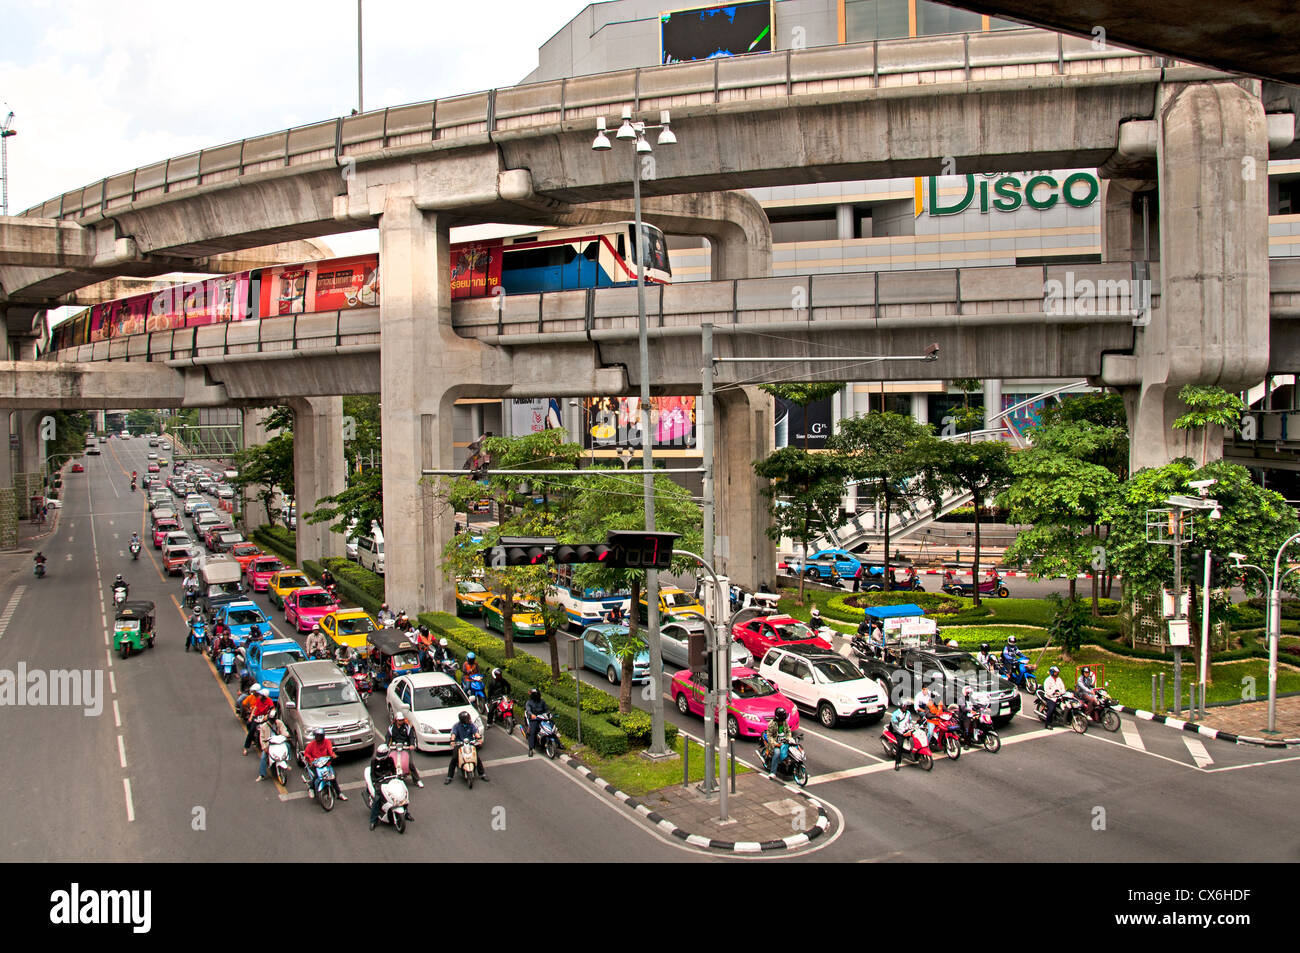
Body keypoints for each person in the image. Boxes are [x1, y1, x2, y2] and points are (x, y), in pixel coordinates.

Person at [368, 743, 412, 828]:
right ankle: (373, 820)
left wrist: (397, 776)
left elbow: (394, 770)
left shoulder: (390, 760)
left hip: (390, 779)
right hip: (379, 781)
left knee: (401, 794)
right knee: (377, 799)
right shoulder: (374, 761)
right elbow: (372, 774)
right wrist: (375, 781)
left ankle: (406, 813)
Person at [443, 710, 487, 784]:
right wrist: (452, 741)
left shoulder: (471, 725)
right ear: (462, 720)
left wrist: (479, 739)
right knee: (454, 759)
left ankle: (482, 774)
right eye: (467, 719)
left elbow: (476, 733)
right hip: (459, 744)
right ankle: (449, 776)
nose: (469, 720)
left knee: (477, 758)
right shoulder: (456, 726)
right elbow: (453, 734)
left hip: (470, 743)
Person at [303, 728, 347, 801]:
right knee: (316, 776)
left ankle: (339, 793)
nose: (318, 738)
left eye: (320, 736)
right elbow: (307, 754)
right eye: (317, 736)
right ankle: (311, 788)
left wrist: (333, 755)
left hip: (326, 764)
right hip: (316, 765)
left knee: (332, 777)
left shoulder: (327, 742)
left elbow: (330, 750)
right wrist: (311, 760)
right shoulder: (311, 745)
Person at [386, 713, 424, 788]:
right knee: (389, 762)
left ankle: (417, 780)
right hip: (394, 747)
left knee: (410, 763)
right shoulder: (391, 727)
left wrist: (412, 744)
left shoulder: (407, 727)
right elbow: (387, 737)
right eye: (399, 720)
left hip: (405, 747)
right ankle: (388, 780)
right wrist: (386, 745)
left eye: (402, 720)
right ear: (396, 720)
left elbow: (411, 737)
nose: (401, 721)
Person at [256, 704, 290, 782]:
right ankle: (262, 774)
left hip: (279, 741)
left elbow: (284, 730)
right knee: (263, 757)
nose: (271, 721)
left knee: (287, 746)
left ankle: (286, 761)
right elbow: (261, 738)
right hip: (269, 743)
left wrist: (286, 735)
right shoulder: (264, 726)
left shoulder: (279, 723)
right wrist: (264, 747)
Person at [762, 707, 794, 778]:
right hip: (776, 743)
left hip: (784, 741)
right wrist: (776, 744)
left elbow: (788, 731)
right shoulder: (772, 724)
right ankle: (773, 772)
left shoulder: (784, 722)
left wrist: (789, 738)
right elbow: (769, 736)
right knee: (777, 753)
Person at [242, 688, 274, 754]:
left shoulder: (269, 701)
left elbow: (273, 709)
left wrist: (267, 715)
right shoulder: (259, 700)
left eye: (260, 695)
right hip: (257, 717)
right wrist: (251, 717)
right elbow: (255, 708)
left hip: (265, 718)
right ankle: (246, 747)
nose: (258, 696)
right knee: (251, 730)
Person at [891, 699, 916, 771]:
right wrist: (902, 733)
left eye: (907, 706)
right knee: (900, 745)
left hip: (906, 730)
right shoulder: (896, 714)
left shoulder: (908, 713)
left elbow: (910, 721)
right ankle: (897, 763)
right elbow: (894, 725)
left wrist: (911, 727)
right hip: (899, 732)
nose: (906, 708)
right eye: (905, 706)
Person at [524, 687, 550, 757]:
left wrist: (548, 713)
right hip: (534, 719)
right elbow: (528, 710)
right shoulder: (529, 702)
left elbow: (546, 709)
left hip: (542, 718)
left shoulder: (542, 701)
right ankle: (530, 749)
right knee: (532, 732)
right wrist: (532, 715)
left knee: (551, 727)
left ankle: (558, 743)